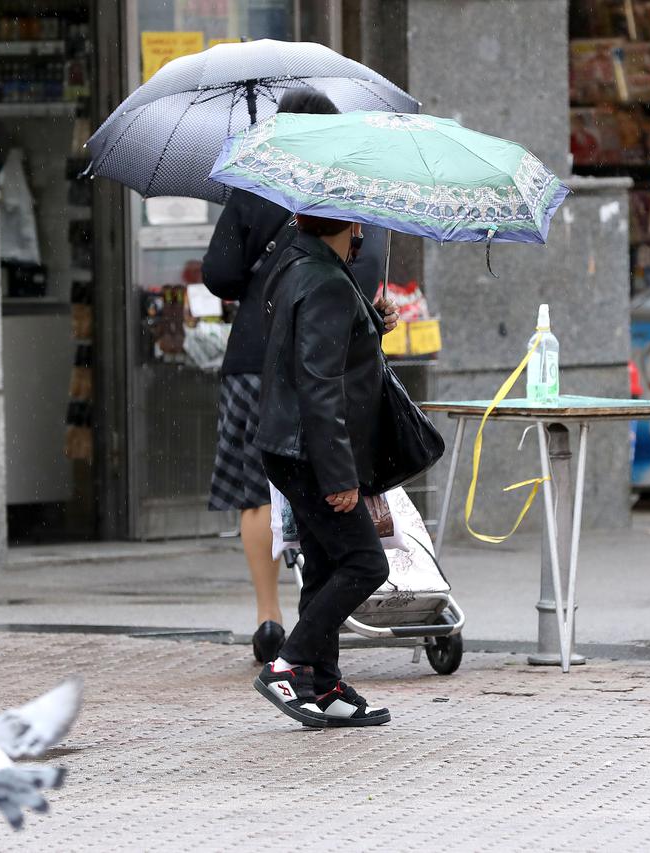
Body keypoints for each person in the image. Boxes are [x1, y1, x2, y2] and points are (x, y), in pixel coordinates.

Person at [201, 87, 393, 664]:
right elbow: (364, 275)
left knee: (256, 492)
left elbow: (219, 272)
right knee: (319, 496)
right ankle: (316, 653)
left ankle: (269, 618)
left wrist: (258, 279)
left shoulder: (256, 188)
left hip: (254, 359)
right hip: (326, 360)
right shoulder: (351, 193)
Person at [252, 211, 398, 728]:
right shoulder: (326, 281)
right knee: (364, 564)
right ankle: (289, 666)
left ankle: (324, 683)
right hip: (312, 453)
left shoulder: (296, 264)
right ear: (348, 226)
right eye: (359, 224)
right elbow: (319, 384)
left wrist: (370, 322)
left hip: (289, 446)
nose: (364, 234)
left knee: (324, 566)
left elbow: (314, 351)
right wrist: (339, 477)